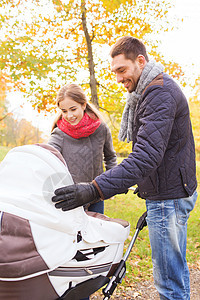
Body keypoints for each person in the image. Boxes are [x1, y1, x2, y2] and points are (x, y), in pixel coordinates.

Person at [51, 37, 198, 300]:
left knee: (169, 282)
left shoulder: (158, 93)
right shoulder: (151, 90)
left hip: (169, 198)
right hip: (169, 193)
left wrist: (94, 189)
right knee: (174, 272)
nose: (118, 78)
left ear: (140, 61)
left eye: (122, 70)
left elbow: (145, 157)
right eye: (115, 71)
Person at [48, 83, 117, 215]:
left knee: (95, 234)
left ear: (83, 105)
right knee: (73, 235)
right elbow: (47, 158)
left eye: (73, 109)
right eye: (64, 111)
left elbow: (110, 157)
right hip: (70, 198)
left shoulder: (101, 129)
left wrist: (111, 184)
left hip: (96, 196)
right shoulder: (59, 134)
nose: (69, 115)